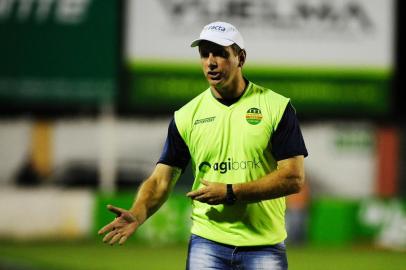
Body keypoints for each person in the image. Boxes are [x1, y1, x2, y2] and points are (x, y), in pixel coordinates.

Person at [98, 21, 308, 270]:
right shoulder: (186, 116)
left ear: (240, 58)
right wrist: (138, 212)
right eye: (204, 53)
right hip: (207, 244)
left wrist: (231, 192)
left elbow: (293, 178)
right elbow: (161, 180)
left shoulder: (277, 107)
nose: (211, 61)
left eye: (220, 53)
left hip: (264, 246)